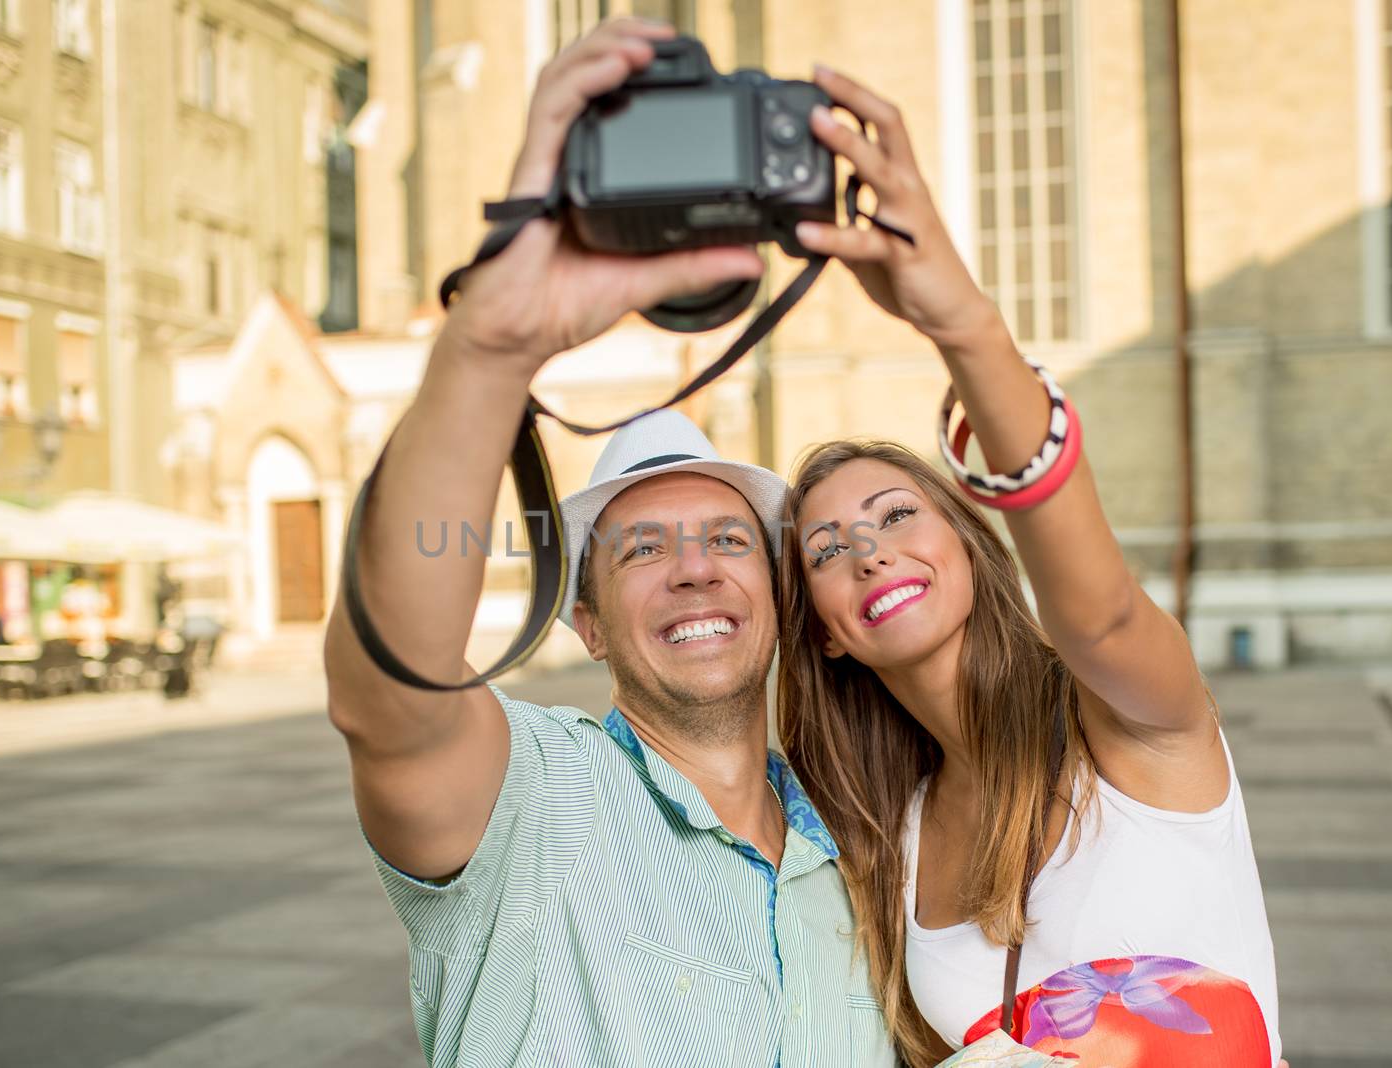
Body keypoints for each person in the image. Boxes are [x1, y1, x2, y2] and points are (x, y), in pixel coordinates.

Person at [323, 18, 896, 1066]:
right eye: (640, 551)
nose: (691, 568)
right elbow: (388, 694)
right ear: (584, 623)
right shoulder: (534, 802)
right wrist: (492, 343)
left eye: (727, 537)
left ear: (774, 594)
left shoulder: (864, 846)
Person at [775, 67, 1282, 1066]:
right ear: (827, 631)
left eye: (894, 515)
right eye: (828, 551)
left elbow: (1096, 621)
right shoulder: (894, 833)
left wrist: (959, 323)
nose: (868, 549)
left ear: (969, 545)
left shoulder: (1130, 728)